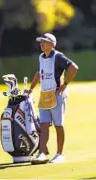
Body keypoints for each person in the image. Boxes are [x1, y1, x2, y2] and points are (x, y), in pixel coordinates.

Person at [28, 33, 79, 164]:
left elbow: (74, 68)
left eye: (45, 42)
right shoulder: (41, 57)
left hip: (57, 95)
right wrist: (31, 89)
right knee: (44, 124)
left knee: (58, 124)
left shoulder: (58, 56)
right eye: (41, 42)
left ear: (52, 44)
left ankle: (60, 154)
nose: (42, 44)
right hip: (44, 94)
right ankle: (42, 153)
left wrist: (65, 84)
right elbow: (39, 74)